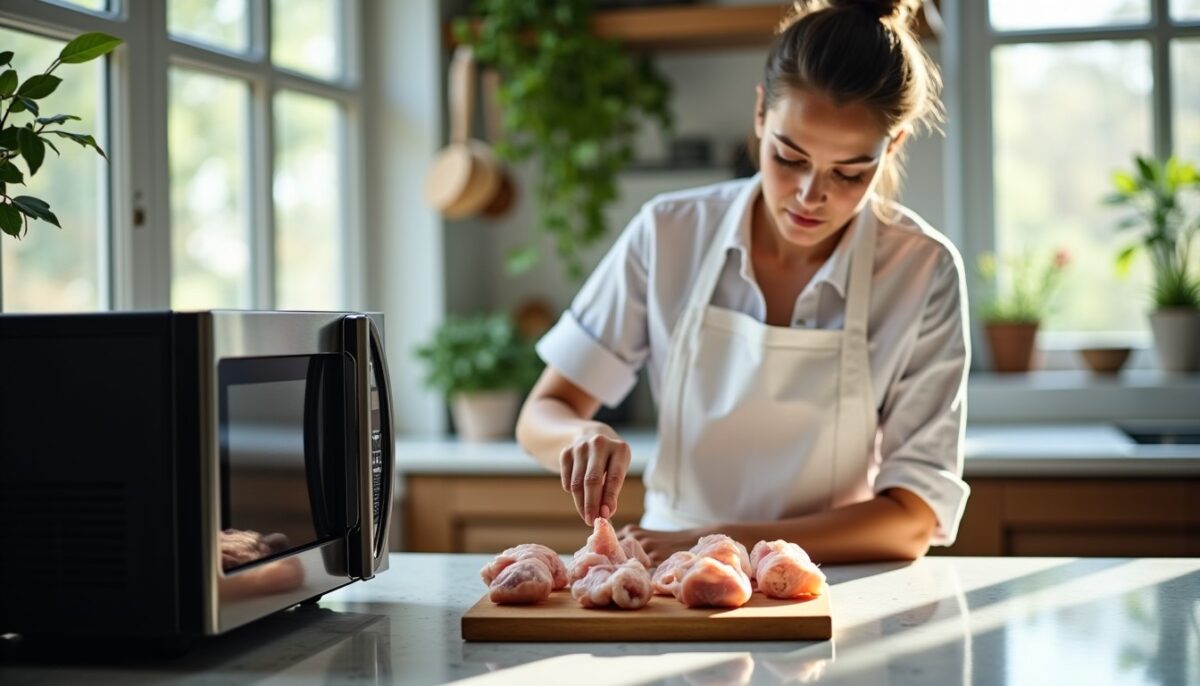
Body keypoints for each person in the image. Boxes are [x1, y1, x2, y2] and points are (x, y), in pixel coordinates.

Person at [515, 0, 970, 565]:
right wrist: (578, 437)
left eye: (850, 173)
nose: (810, 195)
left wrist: (722, 542)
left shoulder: (922, 271)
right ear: (760, 115)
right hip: (667, 570)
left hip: (826, 579)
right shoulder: (670, 232)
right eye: (788, 157)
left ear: (893, 146)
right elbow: (542, 413)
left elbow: (912, 518)